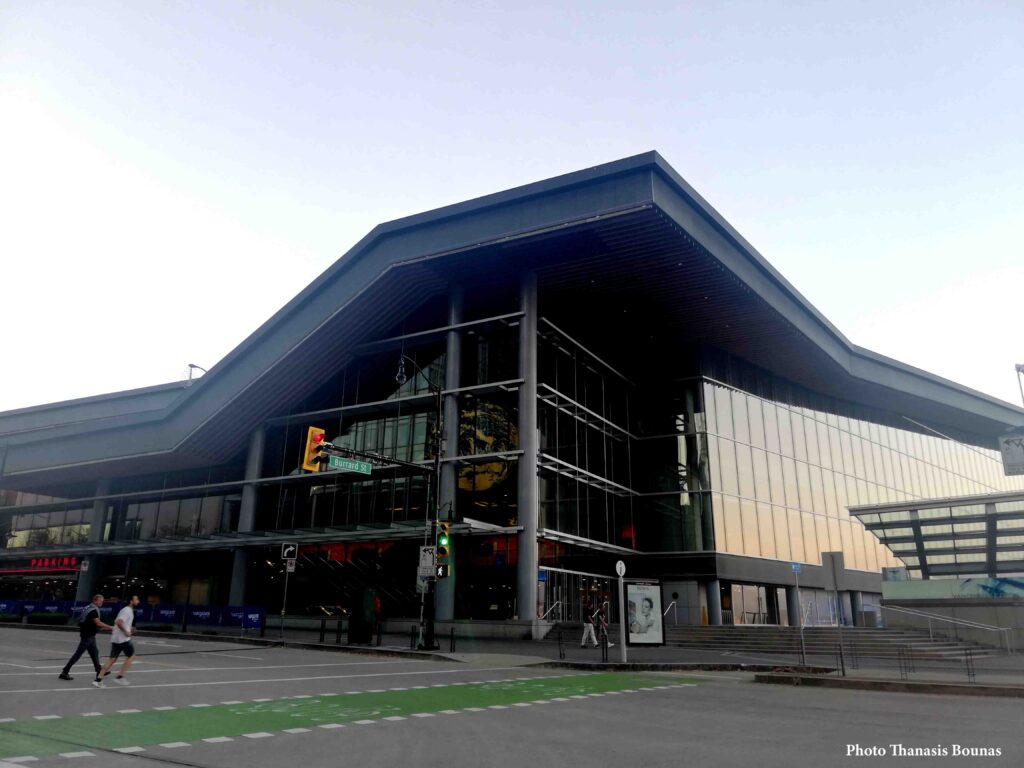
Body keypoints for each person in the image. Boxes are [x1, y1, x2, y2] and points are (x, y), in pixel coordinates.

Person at [59, 594, 112, 684]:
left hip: (89, 634)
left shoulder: (88, 607)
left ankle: (99, 671)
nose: (102, 602)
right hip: (87, 635)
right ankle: (65, 672)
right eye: (100, 601)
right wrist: (111, 627)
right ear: (95, 600)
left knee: (94, 653)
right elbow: (98, 623)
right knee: (78, 654)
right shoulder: (93, 610)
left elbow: (87, 621)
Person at [98, 595, 140, 686]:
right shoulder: (127, 610)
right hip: (123, 639)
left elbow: (119, 623)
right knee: (131, 656)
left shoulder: (126, 610)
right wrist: (126, 632)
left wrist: (129, 630)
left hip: (116, 638)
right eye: (136, 599)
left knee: (112, 659)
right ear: (131, 601)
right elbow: (119, 622)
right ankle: (120, 677)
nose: (138, 601)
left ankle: (98, 679)